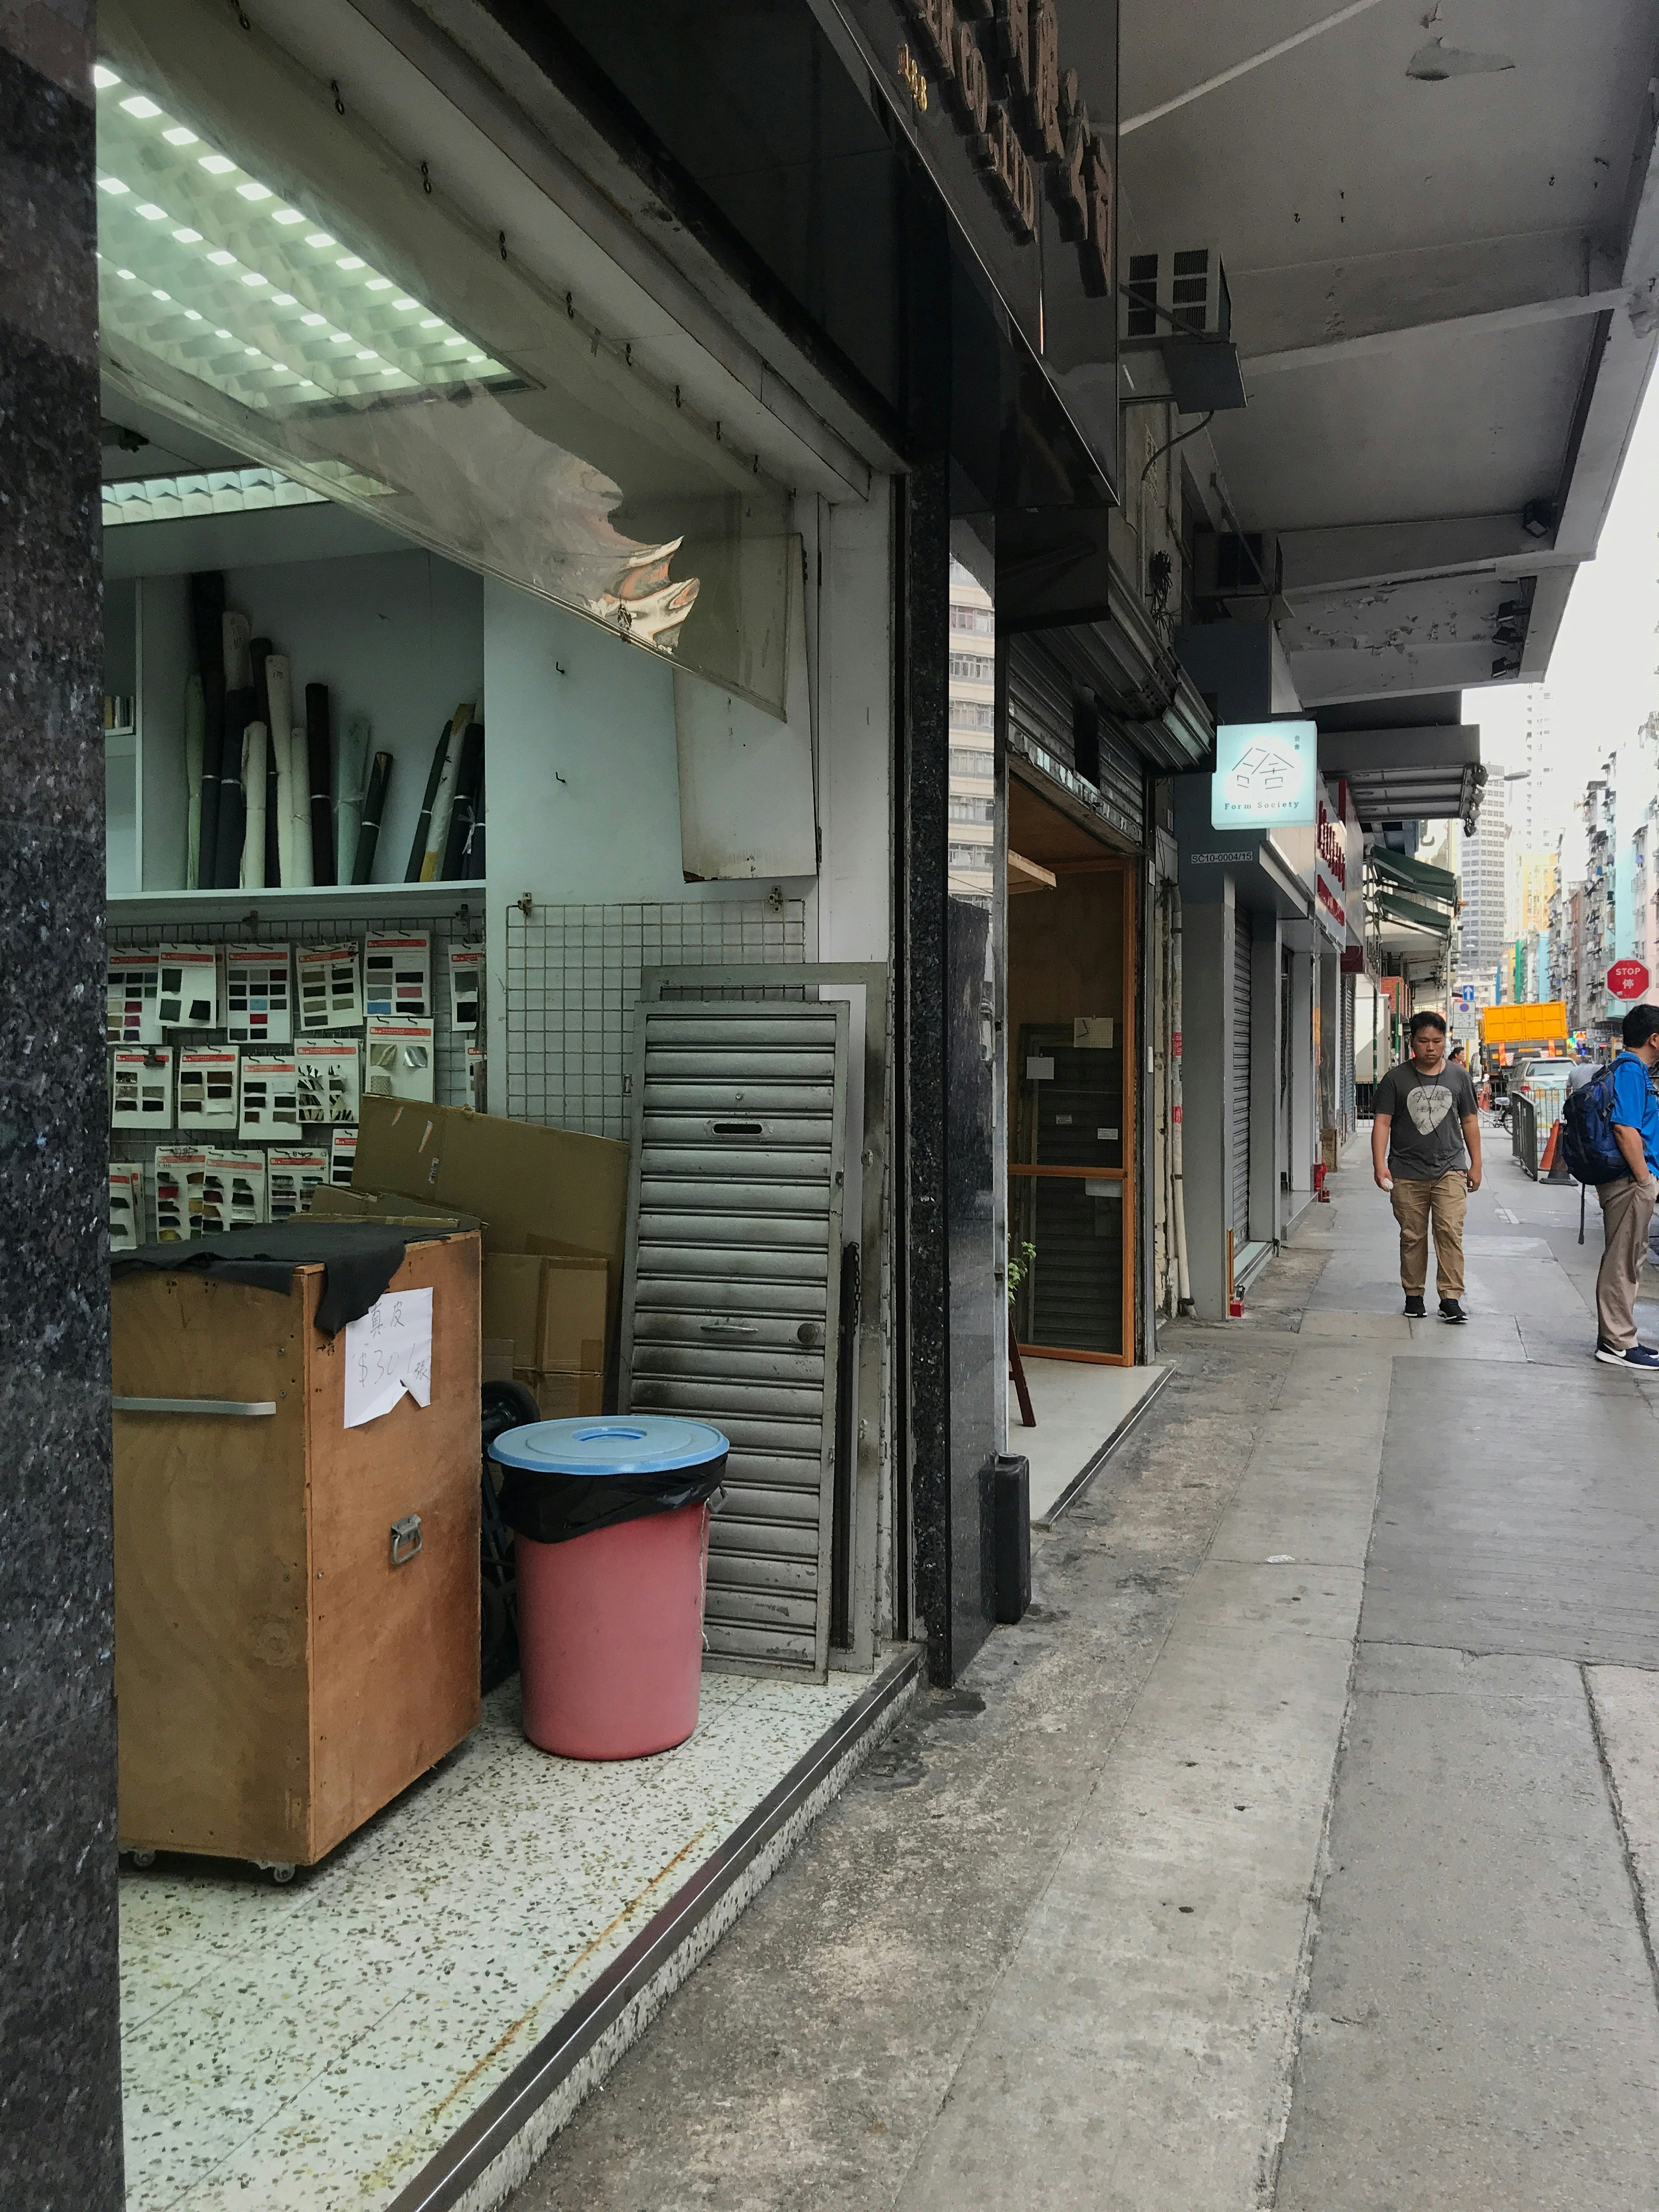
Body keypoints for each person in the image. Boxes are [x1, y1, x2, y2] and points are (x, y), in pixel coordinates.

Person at [1370, 1009, 1482, 1322]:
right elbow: (1382, 1123)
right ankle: (1414, 1294)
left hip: (1450, 1168)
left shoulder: (1459, 1076)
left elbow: (1470, 1121)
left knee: (1449, 1231)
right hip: (1406, 1171)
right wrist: (1380, 1165)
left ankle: (1450, 1298)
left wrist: (1476, 1165)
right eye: (1424, 1041)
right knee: (1413, 1235)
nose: (1431, 1047)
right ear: (1412, 1042)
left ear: (1445, 1041)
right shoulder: (1396, 1079)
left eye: (1437, 1040)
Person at [1592, 1005, 1659, 1368]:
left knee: (1628, 1258)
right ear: (1654, 1039)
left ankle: (1620, 1335)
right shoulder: (1632, 1071)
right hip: (1630, 1181)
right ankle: (1617, 1342)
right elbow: (1625, 1128)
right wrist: (1645, 1180)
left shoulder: (1626, 1068)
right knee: (1623, 1261)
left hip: (1629, 1181)